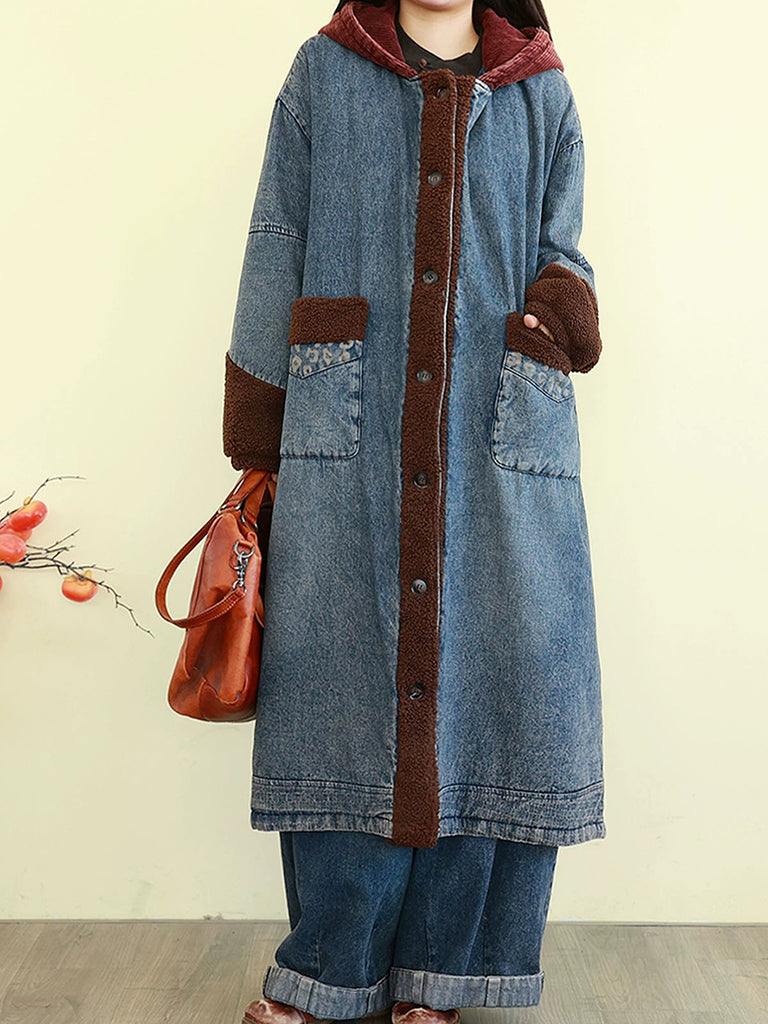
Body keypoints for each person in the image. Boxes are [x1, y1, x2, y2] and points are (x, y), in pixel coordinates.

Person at [222, 2, 606, 1023]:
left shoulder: (541, 91)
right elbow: (276, 236)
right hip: (349, 433)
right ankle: (328, 969)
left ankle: (448, 974)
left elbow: (565, 242)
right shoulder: (323, 74)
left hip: (499, 431)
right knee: (341, 688)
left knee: (494, 685)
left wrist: (562, 303)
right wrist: (257, 444)